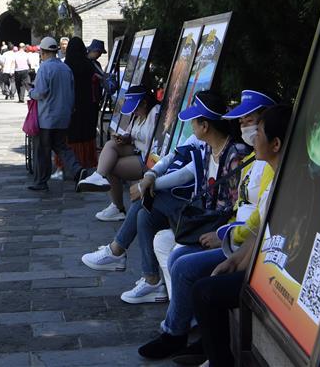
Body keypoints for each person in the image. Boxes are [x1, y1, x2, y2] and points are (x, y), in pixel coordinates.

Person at [139, 94, 283, 361]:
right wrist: (150, 176)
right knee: (168, 245)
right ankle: (184, 328)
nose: (245, 128)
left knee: (183, 265)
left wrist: (224, 235)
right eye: (241, 121)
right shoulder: (249, 157)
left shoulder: (250, 159)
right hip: (231, 234)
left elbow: (257, 219)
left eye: (252, 123)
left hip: (237, 238)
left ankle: (177, 333)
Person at [81, 91, 244, 304]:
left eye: (194, 121)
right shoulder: (207, 146)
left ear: (205, 126)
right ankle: (150, 279)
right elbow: (179, 162)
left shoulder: (234, 155)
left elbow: (234, 204)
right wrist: (149, 176)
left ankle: (118, 252)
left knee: (146, 199)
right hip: (202, 212)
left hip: (213, 221)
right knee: (144, 216)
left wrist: (147, 185)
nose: (191, 126)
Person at [190, 104, 294, 367]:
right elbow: (260, 230)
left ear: (276, 143)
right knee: (205, 284)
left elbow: (271, 238)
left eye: (257, 132)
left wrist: (242, 266)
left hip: (277, 278)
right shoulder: (271, 175)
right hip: (252, 259)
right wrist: (234, 261)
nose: (251, 138)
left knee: (204, 290)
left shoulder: (290, 183)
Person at [77, 85, 161, 221]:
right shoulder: (137, 117)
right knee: (111, 144)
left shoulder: (155, 113)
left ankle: (117, 207)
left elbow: (153, 138)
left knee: (112, 168)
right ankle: (99, 175)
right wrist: (125, 138)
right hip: (137, 149)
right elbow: (134, 134)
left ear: (145, 103)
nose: (134, 112)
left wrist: (131, 139)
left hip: (149, 156)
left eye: (136, 108)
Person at [27, 36, 83, 191]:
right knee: (61, 146)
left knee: (43, 150)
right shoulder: (65, 68)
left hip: (47, 117)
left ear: (43, 52)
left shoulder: (45, 68)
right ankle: (78, 169)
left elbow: (41, 92)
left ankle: (41, 181)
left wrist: (31, 92)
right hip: (64, 116)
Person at [63, 37, 100, 175]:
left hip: (72, 105)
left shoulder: (66, 66)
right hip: (88, 105)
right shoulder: (89, 65)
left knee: (73, 133)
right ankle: (87, 160)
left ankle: (74, 163)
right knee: (87, 132)